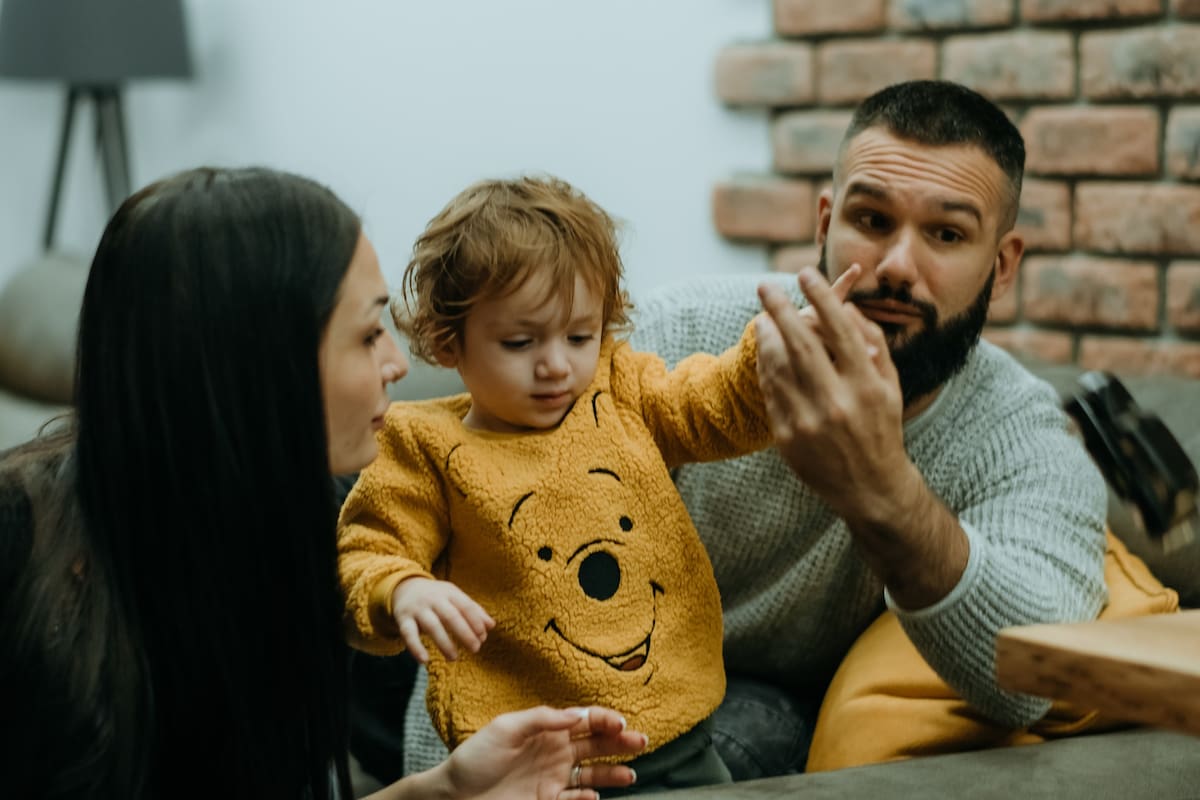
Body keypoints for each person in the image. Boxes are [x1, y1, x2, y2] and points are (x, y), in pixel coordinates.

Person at [0, 166, 647, 800]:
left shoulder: (292, 529)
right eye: (369, 334)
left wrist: (444, 792)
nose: (397, 363)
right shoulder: (23, 556)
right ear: (258, 364)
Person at [624, 79, 1110, 778]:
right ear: (825, 224)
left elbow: (1031, 679)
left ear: (1000, 267)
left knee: (740, 732)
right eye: (873, 221)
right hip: (583, 663)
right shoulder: (676, 335)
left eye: (946, 234)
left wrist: (881, 491)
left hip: (755, 711)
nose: (896, 268)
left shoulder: (1026, 438)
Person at [337, 176, 856, 793]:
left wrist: (773, 358)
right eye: (520, 342)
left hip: (678, 736)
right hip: (529, 764)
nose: (557, 363)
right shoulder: (421, 445)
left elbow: (708, 403)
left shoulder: (619, 389)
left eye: (580, 336)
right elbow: (368, 549)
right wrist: (401, 591)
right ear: (450, 341)